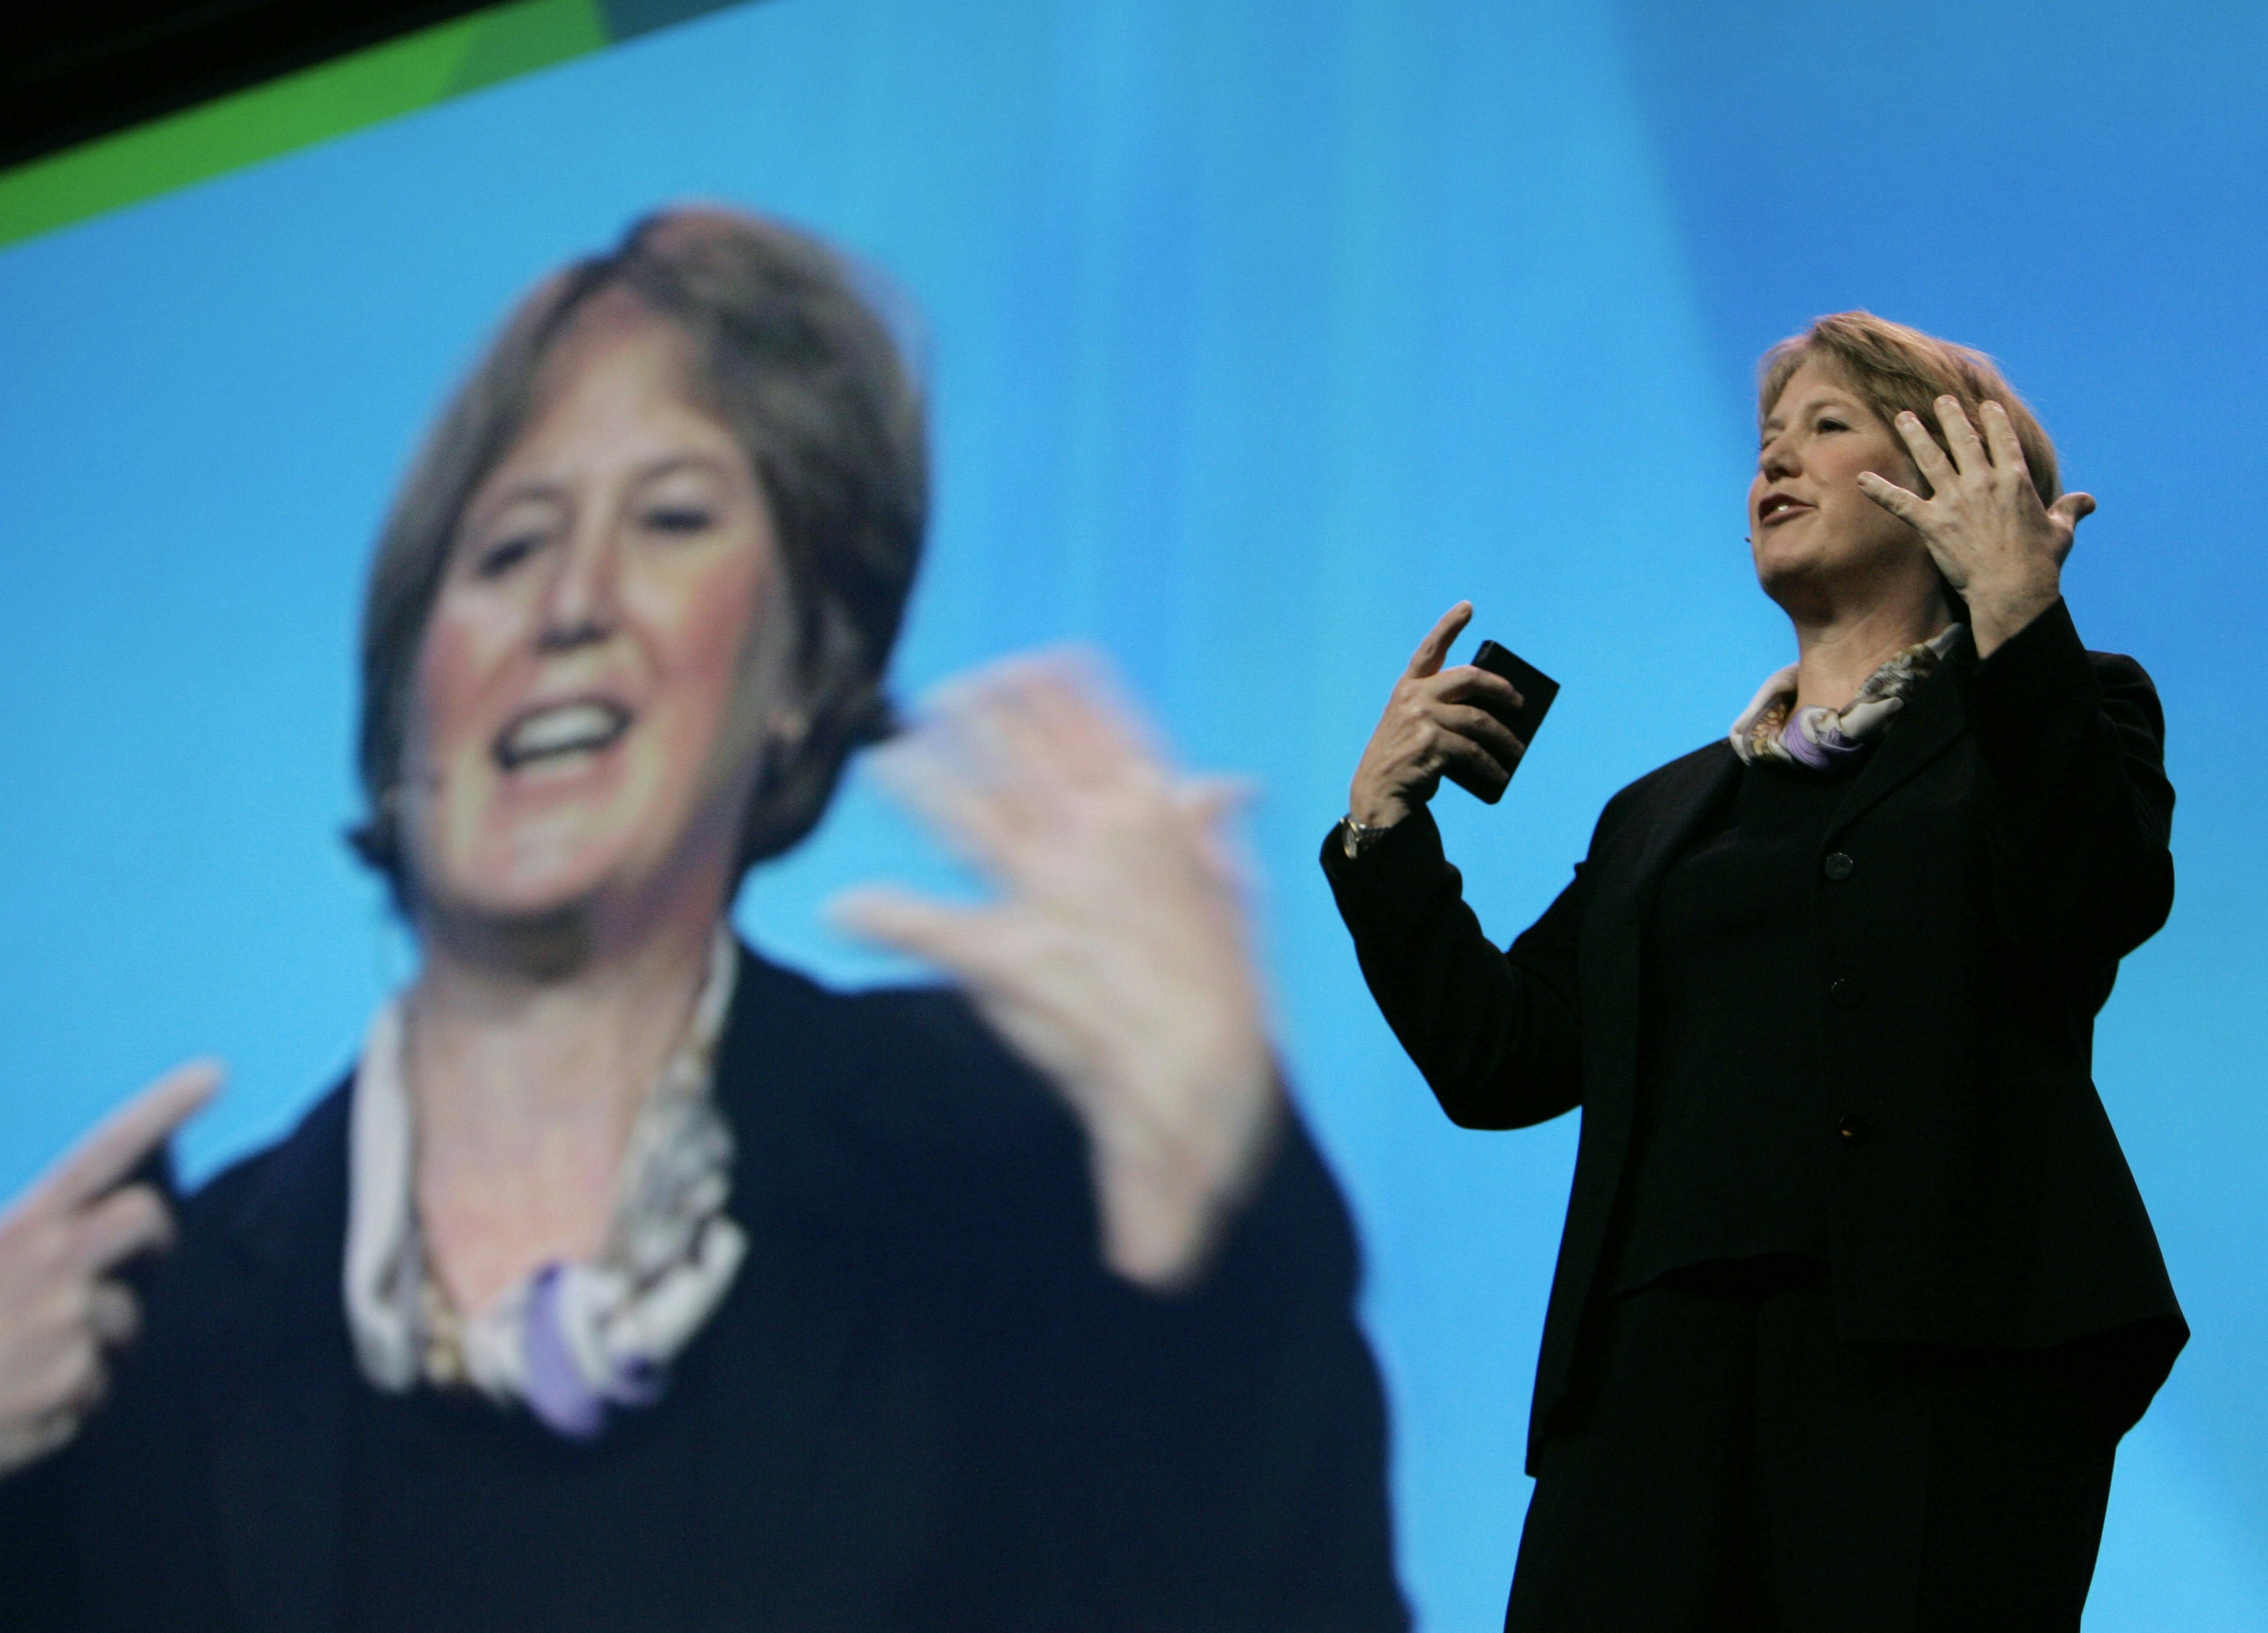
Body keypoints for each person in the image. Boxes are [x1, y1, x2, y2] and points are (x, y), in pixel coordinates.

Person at [1, 206, 1407, 1632]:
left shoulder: (1008, 1184)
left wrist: (1232, 1233)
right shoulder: (142, 1335)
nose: (573, 602)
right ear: (405, 698)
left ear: (802, 665)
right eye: (506, 550)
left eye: (671, 521)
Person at [1323, 311, 2183, 1632]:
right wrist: (1383, 832)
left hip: (1944, 1359)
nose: (1772, 466)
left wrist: (2018, 612)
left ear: (1955, 479)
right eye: (1766, 443)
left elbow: (2089, 905)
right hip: (1654, 1379)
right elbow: (1503, 1058)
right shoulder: (1664, 816)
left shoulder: (2065, 706)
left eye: (1827, 429)